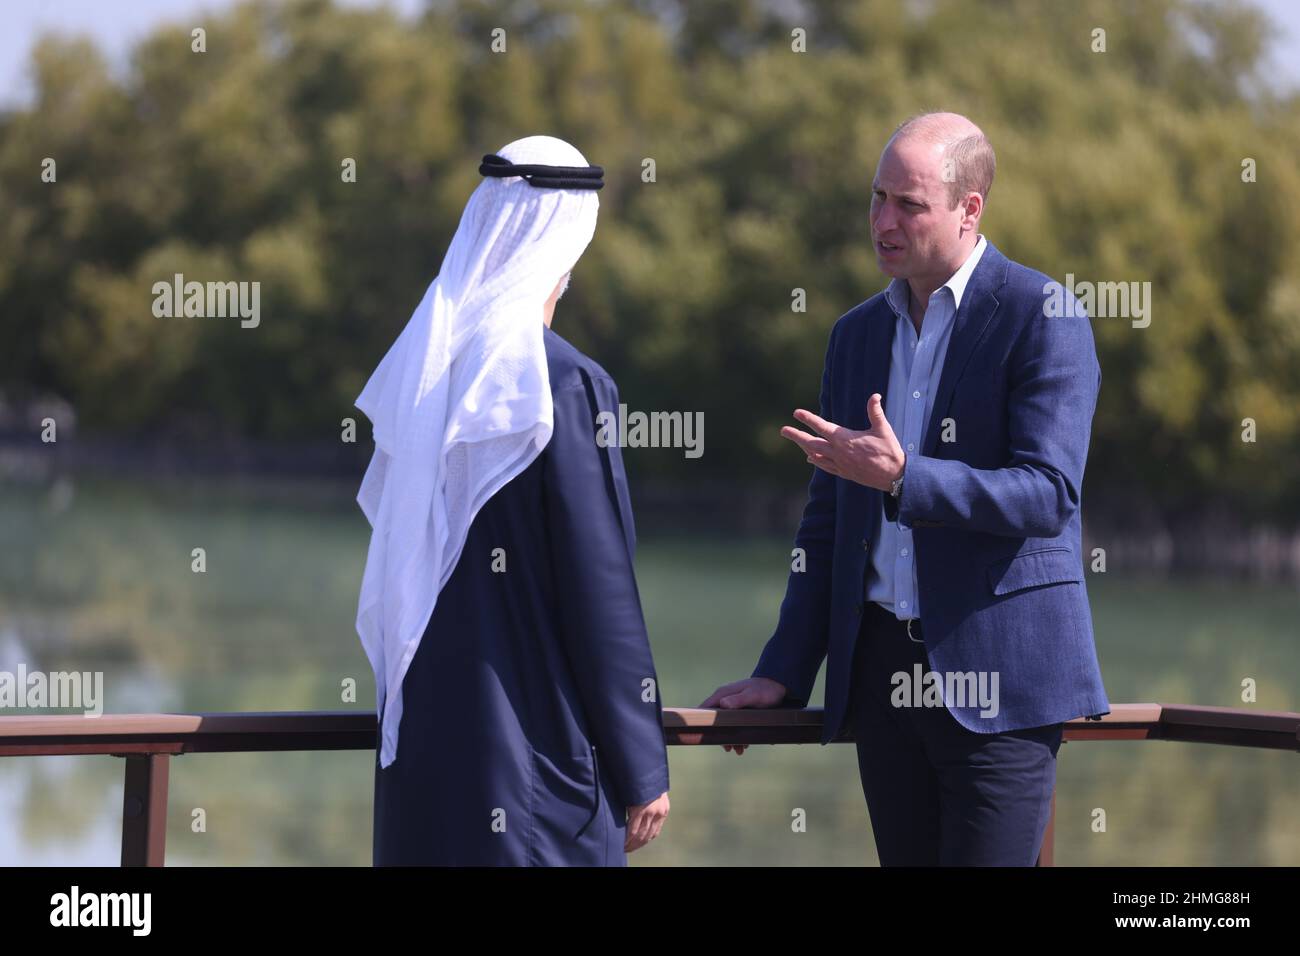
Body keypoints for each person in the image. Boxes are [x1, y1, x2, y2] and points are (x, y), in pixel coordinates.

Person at [701, 112, 1109, 866]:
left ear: (970, 208)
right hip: (885, 682)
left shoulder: (1042, 315)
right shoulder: (854, 335)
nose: (884, 222)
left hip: (1002, 689)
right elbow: (827, 531)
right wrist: (781, 674)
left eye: (910, 205)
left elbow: (1048, 494)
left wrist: (905, 478)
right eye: (877, 198)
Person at [356, 135, 670, 865]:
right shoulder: (563, 382)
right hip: (533, 762)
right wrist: (642, 764)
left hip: (425, 765)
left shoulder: (425, 374)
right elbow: (600, 589)